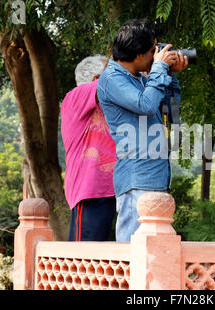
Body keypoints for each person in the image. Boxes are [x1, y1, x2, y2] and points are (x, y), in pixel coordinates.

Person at [97, 19, 188, 241]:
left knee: (153, 254)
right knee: (132, 253)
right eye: (152, 50)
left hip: (155, 177)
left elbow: (170, 112)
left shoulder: (140, 79)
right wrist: (159, 68)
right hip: (136, 179)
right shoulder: (111, 79)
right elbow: (145, 105)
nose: (157, 54)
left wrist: (171, 75)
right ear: (139, 55)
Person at [61, 54, 117, 241]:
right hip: (90, 191)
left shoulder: (106, 106)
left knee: (103, 262)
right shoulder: (75, 96)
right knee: (83, 259)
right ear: (96, 79)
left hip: (111, 189)